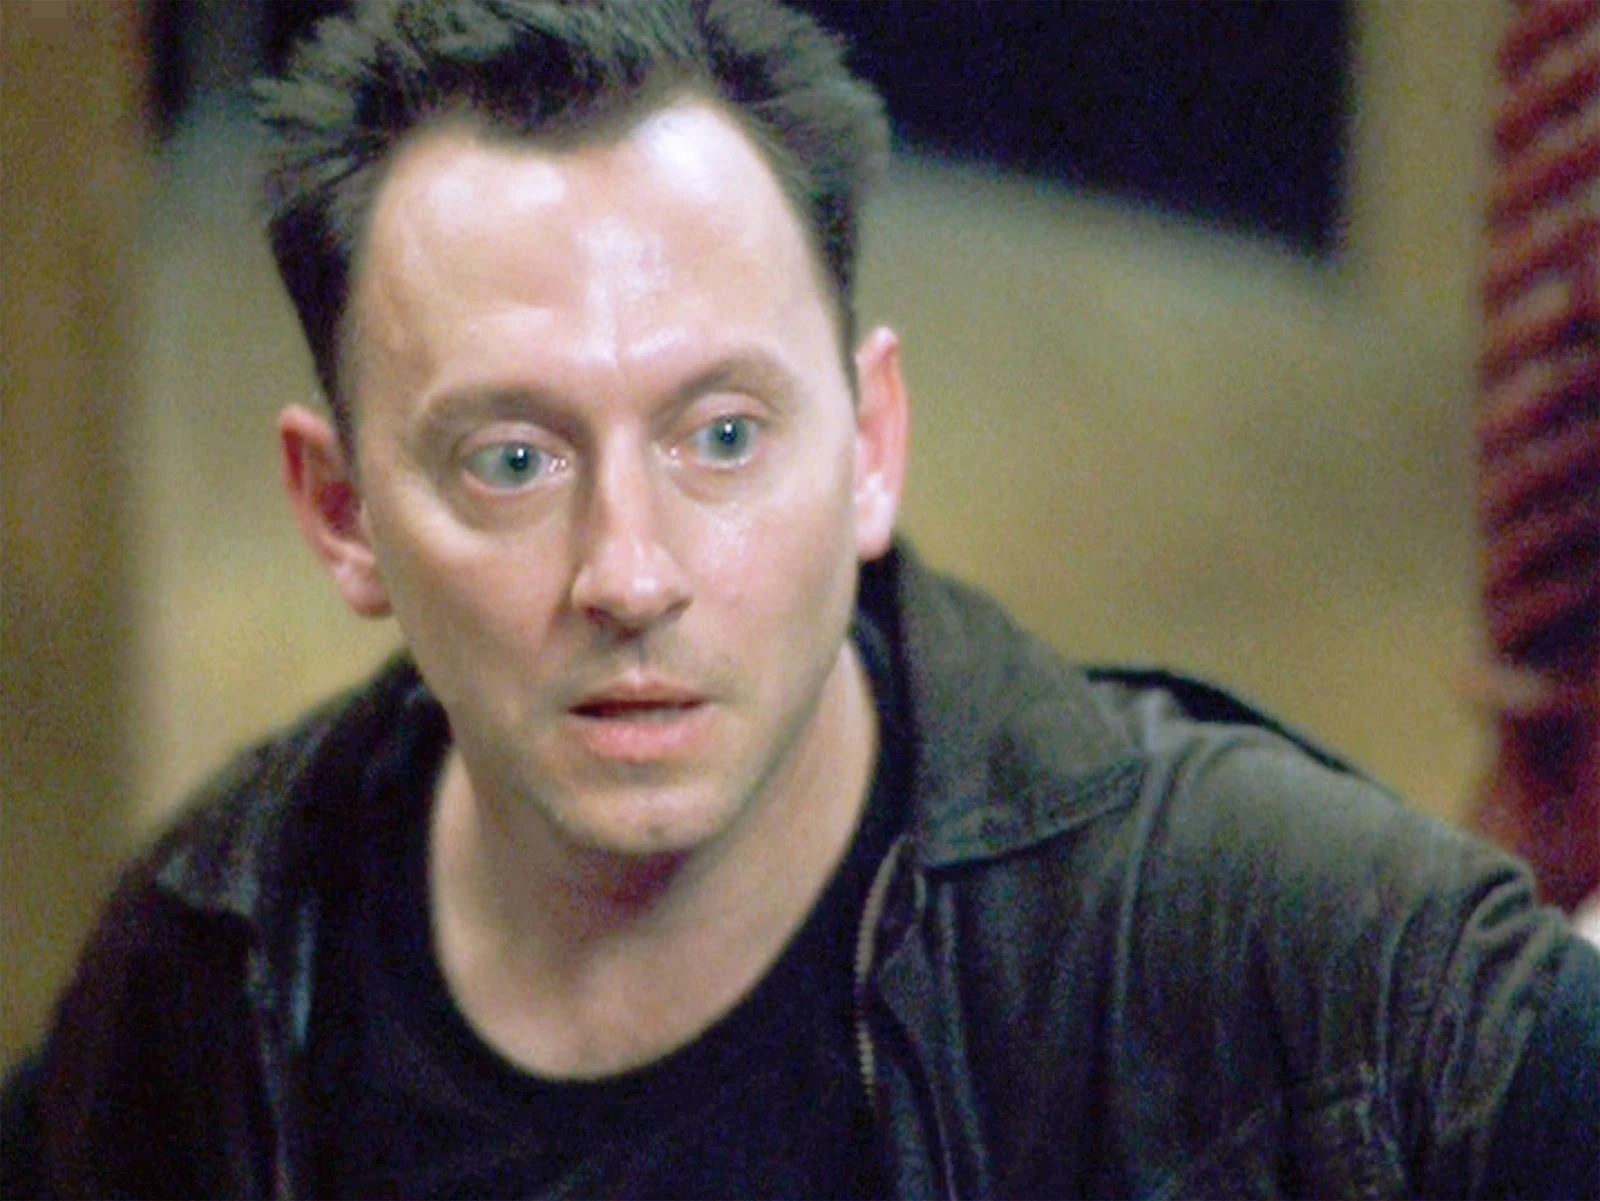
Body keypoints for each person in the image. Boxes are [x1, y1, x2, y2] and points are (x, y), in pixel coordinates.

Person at [6, 2, 1598, 1197]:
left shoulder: (1234, 935)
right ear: (342, 513)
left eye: (721, 437)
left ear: (873, 443)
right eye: (511, 461)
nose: (631, 573)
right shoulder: (219, 965)